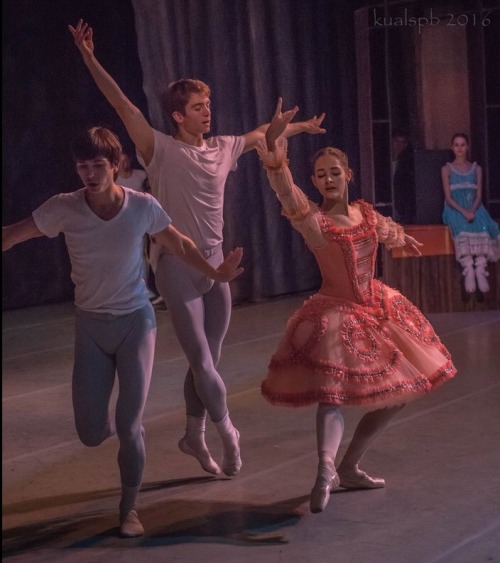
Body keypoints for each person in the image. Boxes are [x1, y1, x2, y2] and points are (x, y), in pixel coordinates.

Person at [68, 19, 327, 478]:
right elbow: (123, 105)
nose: (207, 112)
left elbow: (261, 134)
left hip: (216, 265)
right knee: (202, 361)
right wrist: (89, 58)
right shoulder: (160, 149)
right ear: (177, 115)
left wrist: (298, 127)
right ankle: (229, 431)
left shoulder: (223, 147)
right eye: (197, 106)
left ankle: (194, 434)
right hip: (177, 267)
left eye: (209, 104)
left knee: (209, 362)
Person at [2, 127, 243, 538]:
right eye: (83, 166)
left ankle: (129, 509)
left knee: (131, 427)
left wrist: (214, 272)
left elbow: (181, 244)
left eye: (99, 165)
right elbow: (10, 236)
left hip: (136, 322)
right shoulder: (64, 208)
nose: (90, 173)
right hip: (92, 326)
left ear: (116, 165)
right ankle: (119, 425)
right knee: (92, 432)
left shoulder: (141, 207)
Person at [256, 99, 457, 514]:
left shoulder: (363, 212)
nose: (328, 179)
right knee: (333, 395)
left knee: (398, 392)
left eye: (335, 172)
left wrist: (401, 238)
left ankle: (348, 465)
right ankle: (326, 467)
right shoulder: (315, 222)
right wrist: (277, 154)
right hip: (337, 314)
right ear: (313, 181)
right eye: (320, 175)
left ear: (348, 175)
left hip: (379, 309)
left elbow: (385, 231)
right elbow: (286, 193)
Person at [441, 133, 500, 294]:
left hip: (474, 206)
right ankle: (468, 268)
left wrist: (472, 211)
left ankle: (480, 268)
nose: (459, 148)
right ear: (452, 147)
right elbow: (448, 197)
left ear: (467, 147)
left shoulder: (476, 168)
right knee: (460, 224)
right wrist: (463, 212)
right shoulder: (447, 169)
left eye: (462, 144)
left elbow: (479, 195)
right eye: (456, 145)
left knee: (485, 224)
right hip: (455, 207)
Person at [391, 129, 415, 224]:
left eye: (403, 142)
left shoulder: (407, 164)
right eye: (396, 141)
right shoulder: (382, 160)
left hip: (400, 204)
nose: (399, 145)